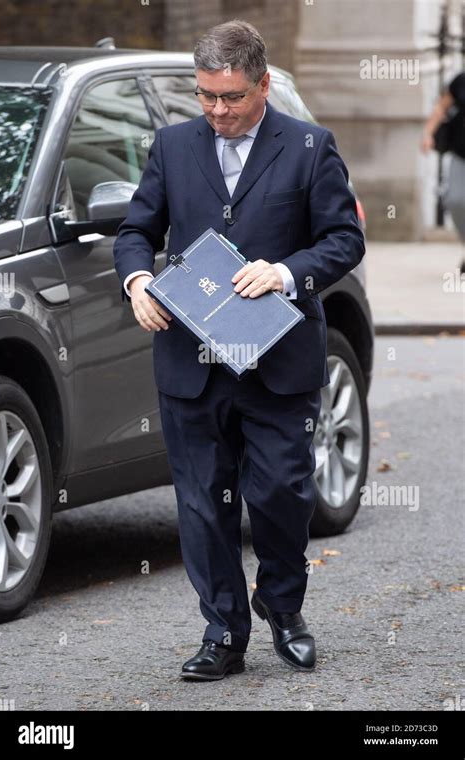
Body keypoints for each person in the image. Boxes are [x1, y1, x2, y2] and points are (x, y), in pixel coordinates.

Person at [113, 19, 365, 681]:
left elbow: (344, 241)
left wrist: (285, 273)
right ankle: (224, 632)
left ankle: (283, 606)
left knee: (282, 493)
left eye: (232, 98)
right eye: (206, 97)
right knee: (201, 505)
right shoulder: (171, 146)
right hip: (189, 364)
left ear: (263, 85)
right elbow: (136, 229)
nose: (218, 111)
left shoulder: (311, 147)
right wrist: (137, 280)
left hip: (278, 362)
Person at [421, 70, 465, 273]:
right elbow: (441, 106)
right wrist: (428, 133)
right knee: (456, 201)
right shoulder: (461, 80)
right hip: (461, 154)